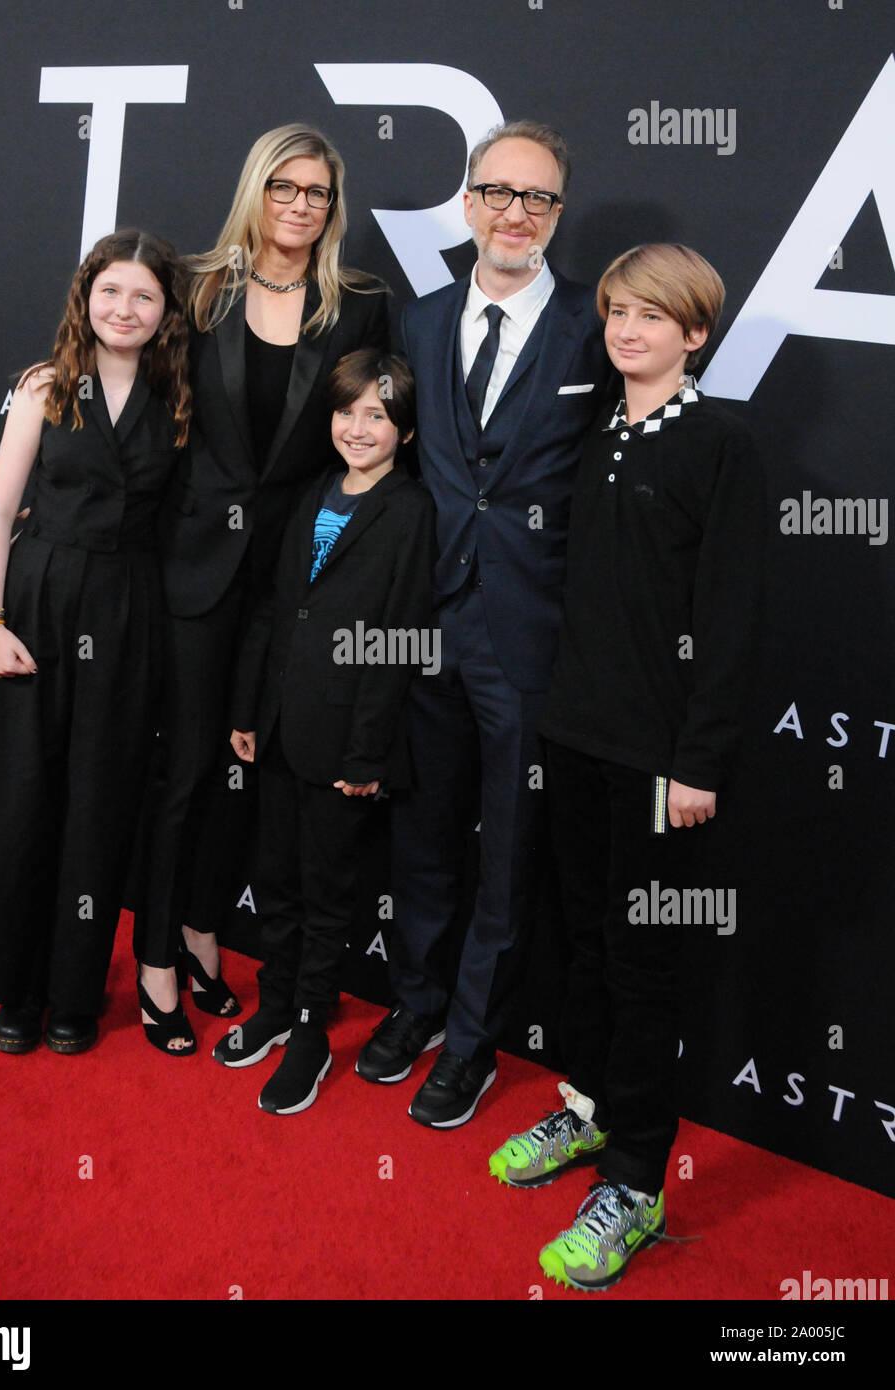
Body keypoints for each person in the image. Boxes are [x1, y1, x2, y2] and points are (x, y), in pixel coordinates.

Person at [488, 243, 764, 1290]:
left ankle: (638, 1184)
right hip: (574, 737)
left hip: (661, 765)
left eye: (651, 316)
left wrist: (695, 761)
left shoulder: (722, 443)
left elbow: (728, 619)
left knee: (644, 967)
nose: (627, 330)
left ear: (693, 332)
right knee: (585, 943)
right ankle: (589, 1110)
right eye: (614, 312)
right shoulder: (596, 428)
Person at [355, 119, 610, 1127]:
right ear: (466, 204)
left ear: (557, 215)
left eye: (537, 199)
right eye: (496, 193)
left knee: (506, 849)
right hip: (427, 622)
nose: (514, 214)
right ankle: (414, 1005)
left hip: (531, 631)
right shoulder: (416, 324)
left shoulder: (600, 323)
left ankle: (469, 1041)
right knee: (420, 835)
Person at [133, 124, 389, 1056]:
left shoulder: (359, 305)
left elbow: (374, 437)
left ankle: (205, 931)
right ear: (256, 188)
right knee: (188, 769)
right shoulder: (199, 288)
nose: (299, 204)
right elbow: (142, 401)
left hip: (294, 583)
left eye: (317, 191)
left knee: (251, 776)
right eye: (283, 186)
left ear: (334, 204)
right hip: (194, 570)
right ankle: (157, 956)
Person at [0, 229, 191, 1055]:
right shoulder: (47, 386)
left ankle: (73, 993)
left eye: (144, 296)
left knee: (98, 808)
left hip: (127, 611)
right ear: (84, 296)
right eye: (110, 291)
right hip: (35, 601)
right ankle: (14, 988)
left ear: (166, 312)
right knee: (22, 802)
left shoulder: (180, 397)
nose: (124, 309)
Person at [215, 349, 434, 1113]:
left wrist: (368, 748)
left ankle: (310, 1028)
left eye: (378, 415)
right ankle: (275, 1004)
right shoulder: (311, 493)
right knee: (274, 876)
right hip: (277, 725)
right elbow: (274, 609)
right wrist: (246, 710)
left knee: (326, 889)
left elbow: (401, 637)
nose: (359, 427)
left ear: (405, 432)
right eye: (348, 411)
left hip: (345, 742)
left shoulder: (410, 510)